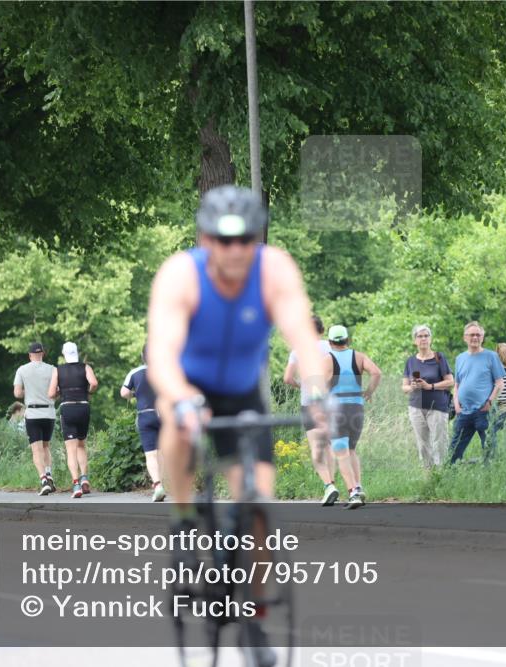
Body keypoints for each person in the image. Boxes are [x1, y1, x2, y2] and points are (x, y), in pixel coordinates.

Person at [147, 185, 327, 666]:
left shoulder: (275, 269)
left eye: (245, 239)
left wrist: (315, 390)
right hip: (188, 384)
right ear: (205, 240)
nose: (234, 250)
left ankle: (254, 618)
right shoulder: (180, 275)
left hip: (243, 391)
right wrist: (183, 399)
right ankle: (183, 521)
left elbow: (303, 338)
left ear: (257, 238)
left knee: (260, 505)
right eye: (223, 240)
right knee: (174, 419)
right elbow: (161, 353)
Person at [323, 325, 382, 509]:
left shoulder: (327, 359)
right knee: (351, 449)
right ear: (347, 340)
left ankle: (353, 492)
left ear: (330, 342)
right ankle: (358, 486)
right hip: (356, 407)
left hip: (337, 409)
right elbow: (376, 373)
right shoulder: (359, 356)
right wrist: (369, 392)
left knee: (341, 452)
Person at [283, 315, 337, 505]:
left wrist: (301, 385)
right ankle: (334, 483)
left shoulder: (298, 350)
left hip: (310, 403)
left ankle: (329, 485)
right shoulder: (331, 347)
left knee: (316, 447)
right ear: (321, 330)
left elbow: (287, 378)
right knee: (328, 445)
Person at [449, 321, 505, 464]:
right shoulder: (460, 358)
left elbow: (500, 383)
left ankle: (490, 476)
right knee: (453, 452)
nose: (475, 337)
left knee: (489, 450)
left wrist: (489, 402)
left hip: (484, 411)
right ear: (465, 338)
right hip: (463, 412)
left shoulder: (491, 356)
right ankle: (450, 475)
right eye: (472, 334)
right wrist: (457, 406)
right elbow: (457, 385)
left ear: (482, 337)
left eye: (478, 335)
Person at [48, 341, 98, 498]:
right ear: (77, 352)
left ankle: (76, 484)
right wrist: (88, 392)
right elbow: (94, 383)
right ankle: (84, 478)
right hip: (83, 407)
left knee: (71, 449)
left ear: (64, 354)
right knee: (82, 445)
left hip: (67, 408)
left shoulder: (58, 370)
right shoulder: (85, 367)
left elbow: (51, 394)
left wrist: (60, 392)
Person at [402, 324, 454, 469]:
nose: (423, 339)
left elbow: (450, 382)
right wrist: (412, 387)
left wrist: (429, 386)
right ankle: (429, 475)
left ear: (430, 339)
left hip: (437, 406)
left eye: (426, 336)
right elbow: (404, 387)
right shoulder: (411, 361)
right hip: (416, 407)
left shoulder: (439, 357)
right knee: (423, 444)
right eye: (420, 336)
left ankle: (441, 474)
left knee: (440, 442)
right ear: (415, 341)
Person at [121, 345, 166, 502]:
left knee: (150, 454)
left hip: (145, 415)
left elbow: (124, 392)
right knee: (161, 452)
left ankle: (158, 485)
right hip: (162, 414)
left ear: (142, 356)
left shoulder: (134, 372)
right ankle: (163, 483)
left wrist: (135, 394)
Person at [13, 342, 58, 496]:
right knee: (46, 446)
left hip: (33, 413)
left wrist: (29, 391)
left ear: (30, 355)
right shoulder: (52, 369)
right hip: (49, 413)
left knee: (36, 449)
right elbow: (56, 391)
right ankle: (49, 474)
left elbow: (17, 393)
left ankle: (43, 480)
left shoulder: (22, 370)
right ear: (42, 354)